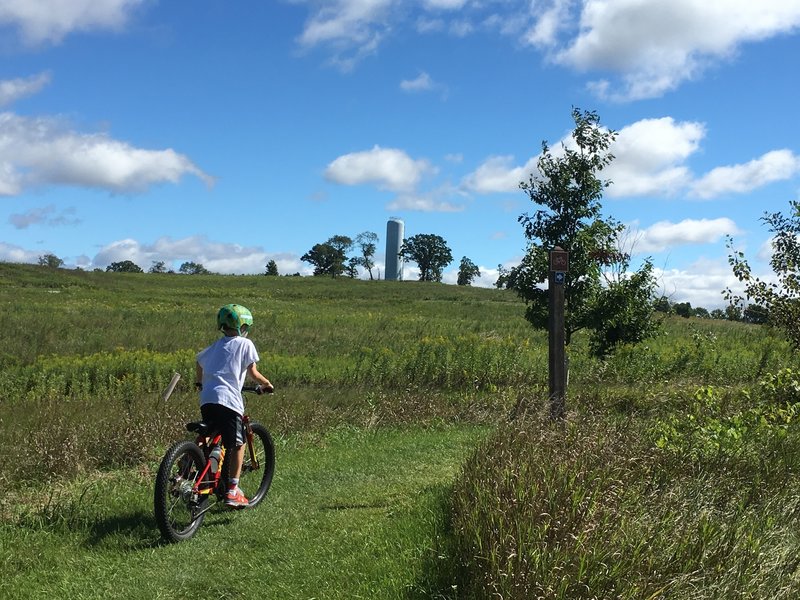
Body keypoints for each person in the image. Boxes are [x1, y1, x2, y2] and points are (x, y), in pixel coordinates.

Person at [195, 303, 273, 508]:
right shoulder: (245, 344)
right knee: (238, 444)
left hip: (207, 399)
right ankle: (232, 490)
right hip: (229, 401)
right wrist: (266, 384)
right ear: (243, 326)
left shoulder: (214, 346)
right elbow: (253, 373)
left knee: (211, 437)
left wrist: (199, 383)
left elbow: (199, 361)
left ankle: (193, 465)